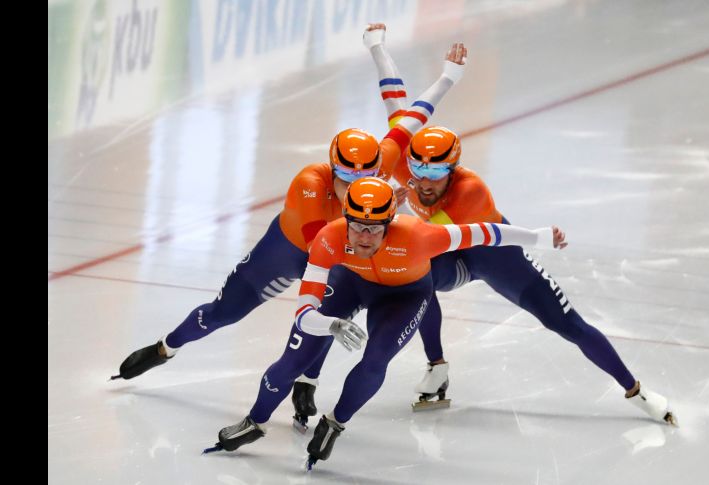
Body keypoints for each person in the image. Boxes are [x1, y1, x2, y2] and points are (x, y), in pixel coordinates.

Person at [291, 23, 676, 428]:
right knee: (407, 281)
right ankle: (434, 366)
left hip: (493, 252)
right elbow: (396, 101)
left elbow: (465, 235)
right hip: (447, 249)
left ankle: (636, 390)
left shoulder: (470, 191)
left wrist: (538, 238)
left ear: (452, 171)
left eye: (434, 175)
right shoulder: (406, 167)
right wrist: (378, 48)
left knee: (565, 323)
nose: (423, 183)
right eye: (416, 170)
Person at [110, 40, 470, 381]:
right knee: (224, 313)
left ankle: (307, 382)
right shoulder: (310, 182)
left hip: (336, 252)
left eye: (367, 176)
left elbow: (411, 119)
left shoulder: (378, 168)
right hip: (287, 251)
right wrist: (384, 210)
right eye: (347, 176)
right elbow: (320, 244)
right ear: (332, 168)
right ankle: (166, 347)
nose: (358, 183)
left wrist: (448, 77)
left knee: (330, 316)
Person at [205, 176, 567, 470]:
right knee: (295, 358)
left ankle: (335, 423)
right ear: (345, 220)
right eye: (357, 227)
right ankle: (255, 420)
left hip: (405, 296)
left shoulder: (420, 236)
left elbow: (488, 233)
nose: (364, 238)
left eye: (374, 229)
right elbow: (304, 312)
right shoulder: (329, 239)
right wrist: (330, 325)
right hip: (351, 283)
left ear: (389, 224)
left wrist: (538, 238)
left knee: (376, 359)